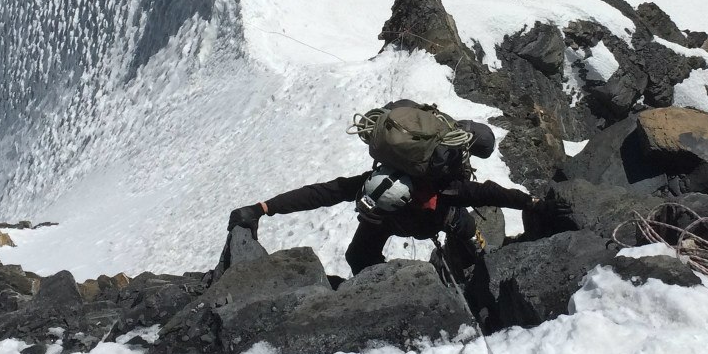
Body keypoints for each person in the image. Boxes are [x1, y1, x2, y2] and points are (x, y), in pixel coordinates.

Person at [228, 101, 562, 275]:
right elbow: (494, 193)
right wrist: (537, 205)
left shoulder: (388, 194)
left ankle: (390, 281)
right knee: (466, 235)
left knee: (358, 256)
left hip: (422, 221)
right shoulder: (448, 191)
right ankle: (476, 256)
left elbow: (323, 193)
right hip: (443, 219)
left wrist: (263, 208)